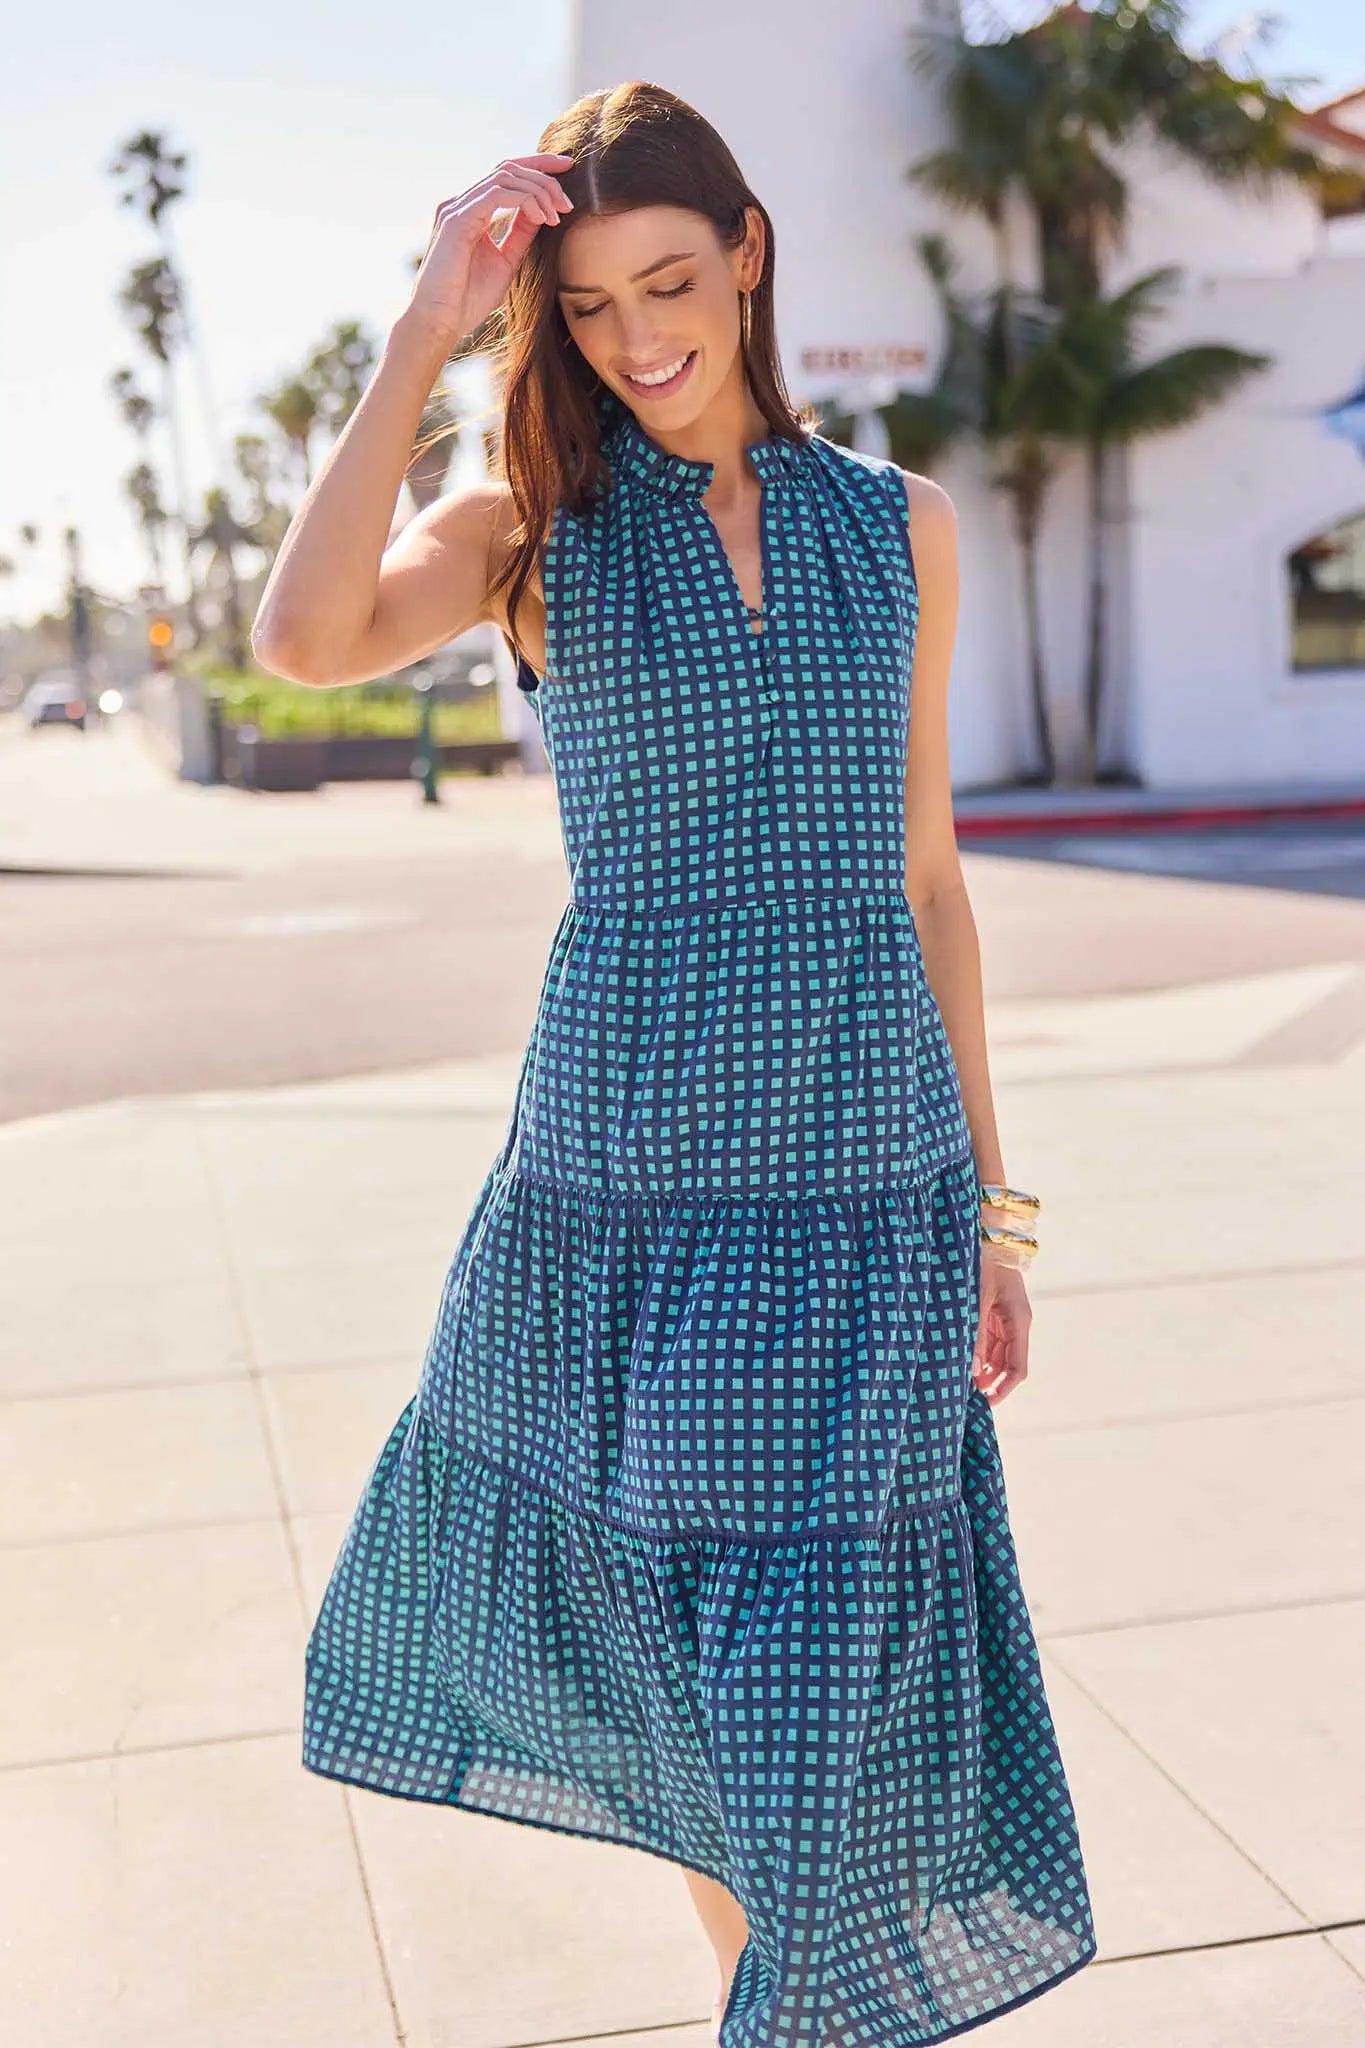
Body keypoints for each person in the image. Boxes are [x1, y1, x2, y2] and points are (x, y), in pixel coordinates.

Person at [253, 79, 1096, 2048]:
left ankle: (771, 2009)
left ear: (746, 258)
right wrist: (424, 323)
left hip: (872, 1188)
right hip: (636, 1195)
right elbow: (302, 637)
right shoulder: (531, 533)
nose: (636, 339)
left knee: (829, 1684)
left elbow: (926, 880)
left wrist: (997, 1212)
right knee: (718, 1684)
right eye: (588, 307)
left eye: (668, 284)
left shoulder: (898, 526)